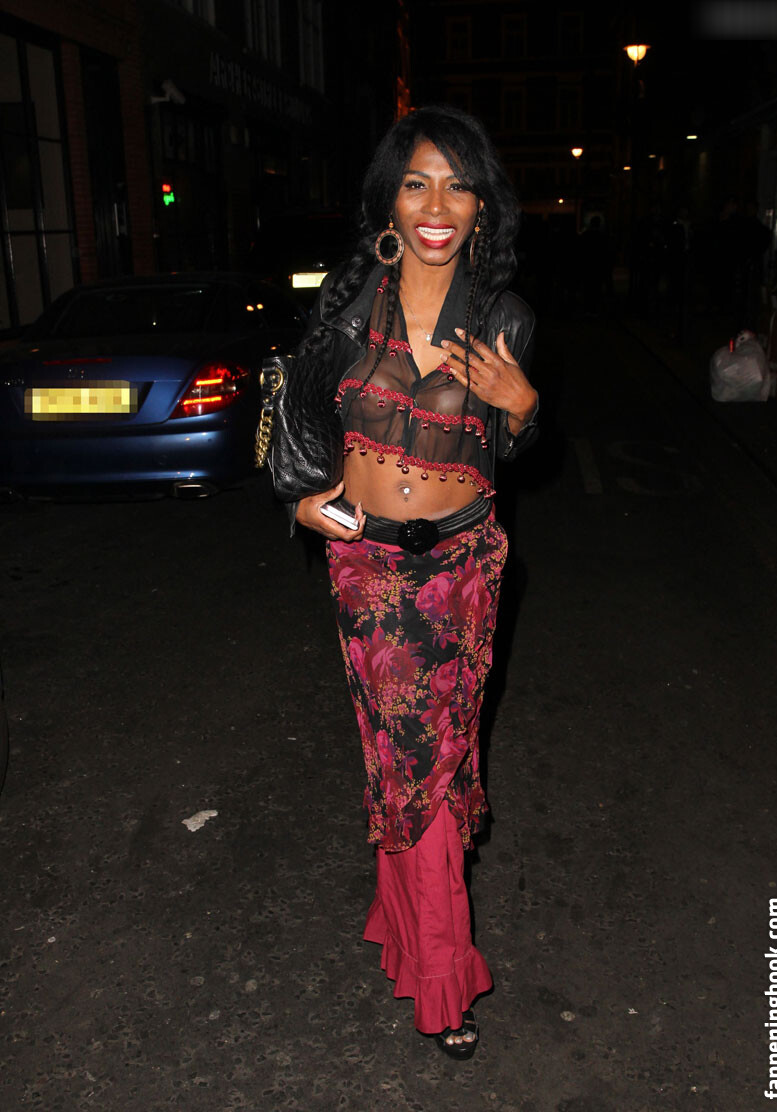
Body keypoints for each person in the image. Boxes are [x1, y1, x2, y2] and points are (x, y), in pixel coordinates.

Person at [273, 105, 539, 1058]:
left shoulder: (504, 317)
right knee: (409, 771)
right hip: (370, 574)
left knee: (432, 770)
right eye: (418, 183)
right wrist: (304, 502)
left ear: (482, 207)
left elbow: (512, 449)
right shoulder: (347, 307)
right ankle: (429, 960)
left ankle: (420, 951)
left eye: (459, 186)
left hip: (462, 569)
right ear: (389, 199)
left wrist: (523, 406)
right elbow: (298, 423)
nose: (437, 206)